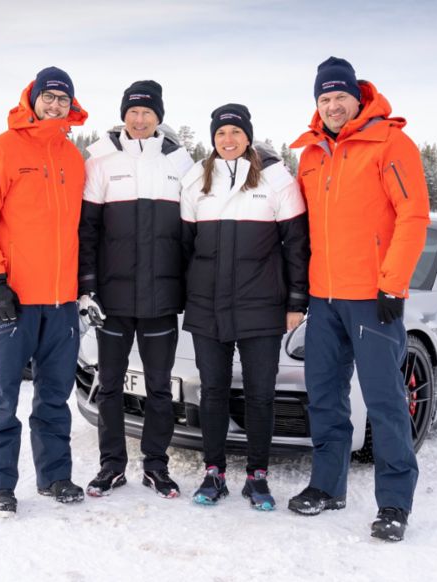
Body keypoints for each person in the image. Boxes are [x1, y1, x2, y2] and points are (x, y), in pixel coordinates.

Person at [287, 56, 430, 541]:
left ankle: (394, 504)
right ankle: (328, 487)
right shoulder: (309, 155)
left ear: (358, 96)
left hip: (372, 298)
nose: (331, 106)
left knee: (385, 401)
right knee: (324, 398)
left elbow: (413, 216)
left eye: (338, 97)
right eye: (323, 99)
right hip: (324, 299)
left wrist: (392, 284)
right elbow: (302, 228)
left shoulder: (391, 143)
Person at [0, 66, 88, 518]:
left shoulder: (74, 158)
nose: (54, 105)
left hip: (62, 304)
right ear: (32, 98)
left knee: (55, 398)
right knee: (3, 399)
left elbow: (80, 229)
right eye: (48, 97)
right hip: (13, 301)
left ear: (70, 106)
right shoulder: (2, 150)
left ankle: (55, 476)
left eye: (62, 99)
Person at [179, 104, 309, 511]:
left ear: (248, 136)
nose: (228, 140)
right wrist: (185, 297)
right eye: (221, 134)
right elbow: (184, 247)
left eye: (235, 132)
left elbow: (297, 246)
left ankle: (257, 476)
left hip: (262, 305)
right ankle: (213, 472)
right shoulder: (197, 180)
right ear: (213, 139)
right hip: (207, 305)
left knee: (260, 394)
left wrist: (296, 301)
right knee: (212, 391)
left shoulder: (276, 179)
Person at [78, 80, 194, 499]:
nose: (140, 119)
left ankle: (156, 466)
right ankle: (112, 466)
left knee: (160, 387)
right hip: (111, 300)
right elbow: (87, 230)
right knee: (108, 385)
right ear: (123, 115)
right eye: (133, 112)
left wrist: (188, 289)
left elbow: (190, 234)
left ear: (159, 117)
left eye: (147, 112)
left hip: (162, 299)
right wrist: (87, 287)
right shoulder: (101, 161)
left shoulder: (180, 163)